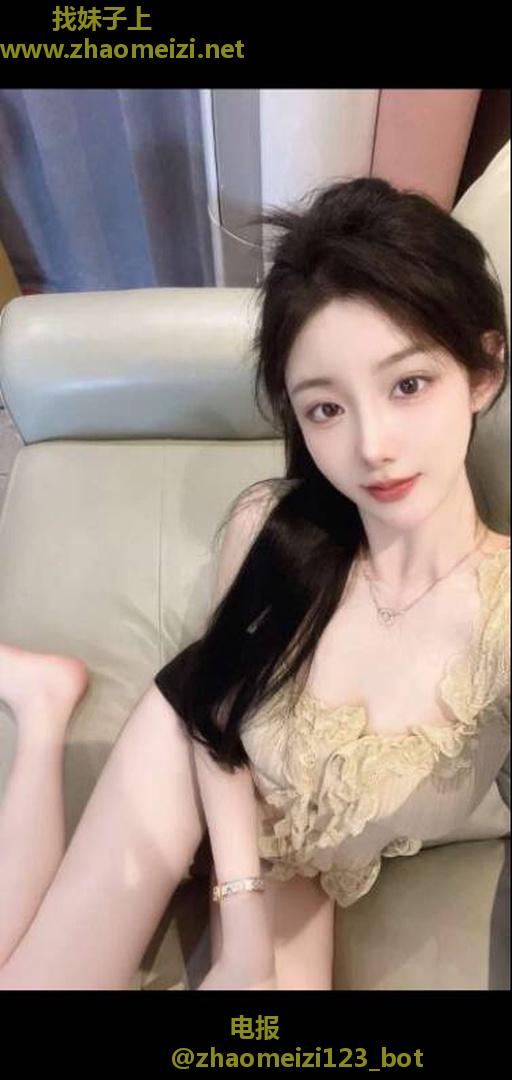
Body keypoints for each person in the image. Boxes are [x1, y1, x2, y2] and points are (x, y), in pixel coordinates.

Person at [0, 177, 509, 991]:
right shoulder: (272, 528)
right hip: (191, 749)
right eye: (325, 409)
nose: (372, 445)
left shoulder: (499, 615)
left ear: (483, 370)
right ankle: (42, 705)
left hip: (301, 863)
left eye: (408, 385)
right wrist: (239, 930)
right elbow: (218, 710)